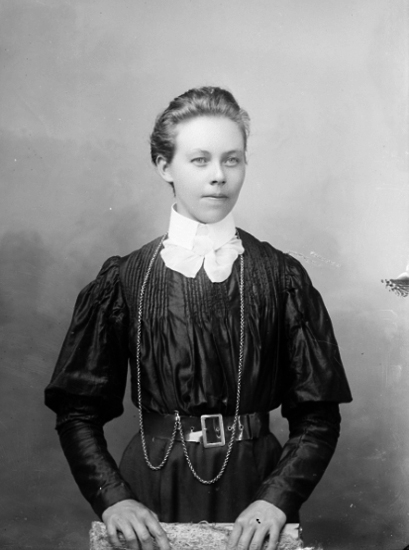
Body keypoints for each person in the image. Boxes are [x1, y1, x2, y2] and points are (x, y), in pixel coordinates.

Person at [45, 86, 352, 550]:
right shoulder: (125, 279)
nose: (218, 177)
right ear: (164, 166)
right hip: (151, 486)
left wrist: (276, 500)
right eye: (200, 160)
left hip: (257, 491)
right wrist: (113, 499)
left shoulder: (281, 276)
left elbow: (319, 417)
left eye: (232, 160)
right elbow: (77, 412)